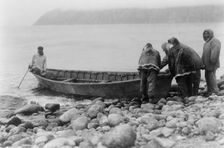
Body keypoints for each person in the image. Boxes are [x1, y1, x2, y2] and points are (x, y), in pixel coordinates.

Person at [202, 29, 221, 95]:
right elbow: (204, 54)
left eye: (207, 34)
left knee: (211, 77)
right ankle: (210, 90)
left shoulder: (215, 41)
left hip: (212, 64)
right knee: (207, 76)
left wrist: (213, 61)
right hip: (207, 64)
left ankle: (215, 91)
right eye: (204, 34)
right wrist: (202, 63)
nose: (206, 35)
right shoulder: (206, 43)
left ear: (211, 34)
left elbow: (215, 52)